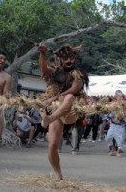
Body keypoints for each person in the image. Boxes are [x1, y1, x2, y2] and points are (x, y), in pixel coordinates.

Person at [37, 44, 89, 181]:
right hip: (55, 110)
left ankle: (49, 118)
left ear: (75, 60)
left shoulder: (78, 74)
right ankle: (57, 174)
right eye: (65, 58)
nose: (69, 60)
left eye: (71, 58)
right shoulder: (55, 72)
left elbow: (74, 89)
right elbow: (44, 70)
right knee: (52, 145)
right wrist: (42, 54)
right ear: (60, 59)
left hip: (70, 110)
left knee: (69, 97)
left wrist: (55, 98)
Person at [106, 90, 126, 157]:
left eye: (121, 96)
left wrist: (122, 117)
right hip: (113, 125)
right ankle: (112, 148)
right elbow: (109, 114)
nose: (119, 98)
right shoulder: (113, 105)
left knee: (121, 140)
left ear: (123, 97)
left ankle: (119, 151)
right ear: (116, 97)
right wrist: (109, 114)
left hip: (121, 125)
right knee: (108, 138)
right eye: (118, 96)